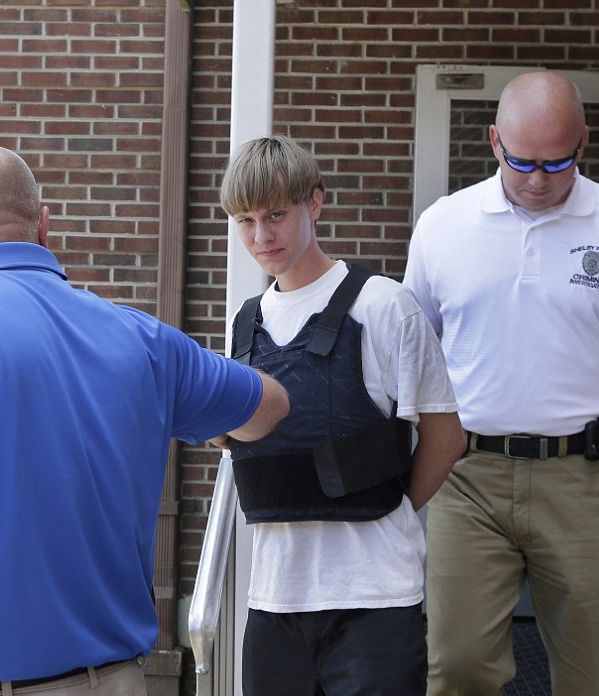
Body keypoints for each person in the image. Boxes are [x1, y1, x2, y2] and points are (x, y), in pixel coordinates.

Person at [0, 145, 290, 693]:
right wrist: (221, 425)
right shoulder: (140, 337)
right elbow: (271, 405)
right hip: (119, 681)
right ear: (43, 225)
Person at [403, 72, 599, 696]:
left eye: (558, 162)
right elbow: (411, 356)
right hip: (467, 476)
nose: (538, 179)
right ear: (494, 141)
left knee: (596, 676)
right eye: (521, 161)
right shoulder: (443, 224)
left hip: (586, 479)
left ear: (584, 143)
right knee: (457, 667)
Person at [219, 134, 467, 696]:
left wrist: (387, 506)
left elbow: (446, 437)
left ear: (314, 203)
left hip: (375, 597)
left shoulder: (383, 304)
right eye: (245, 220)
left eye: (276, 215)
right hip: (274, 599)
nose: (261, 236)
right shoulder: (245, 323)